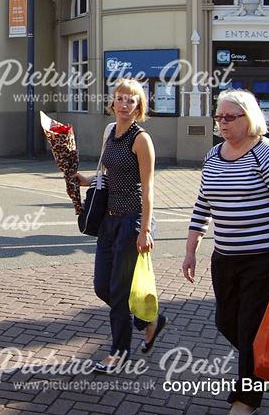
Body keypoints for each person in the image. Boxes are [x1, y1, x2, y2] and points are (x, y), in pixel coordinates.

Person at [182, 89, 269, 415]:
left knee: (249, 328)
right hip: (225, 257)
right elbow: (202, 204)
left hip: (261, 259)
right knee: (226, 321)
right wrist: (191, 250)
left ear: (249, 118)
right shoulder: (213, 155)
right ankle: (266, 361)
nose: (222, 123)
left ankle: (246, 400)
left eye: (229, 117)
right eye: (219, 117)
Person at [76, 78, 167, 372]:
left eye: (131, 100)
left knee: (118, 291)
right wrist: (86, 180)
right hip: (109, 219)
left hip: (132, 221)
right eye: (120, 98)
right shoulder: (110, 132)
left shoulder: (141, 139)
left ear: (139, 105)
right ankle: (149, 320)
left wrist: (145, 230)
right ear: (112, 102)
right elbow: (106, 173)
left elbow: (149, 187)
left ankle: (119, 353)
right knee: (103, 286)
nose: (125, 104)